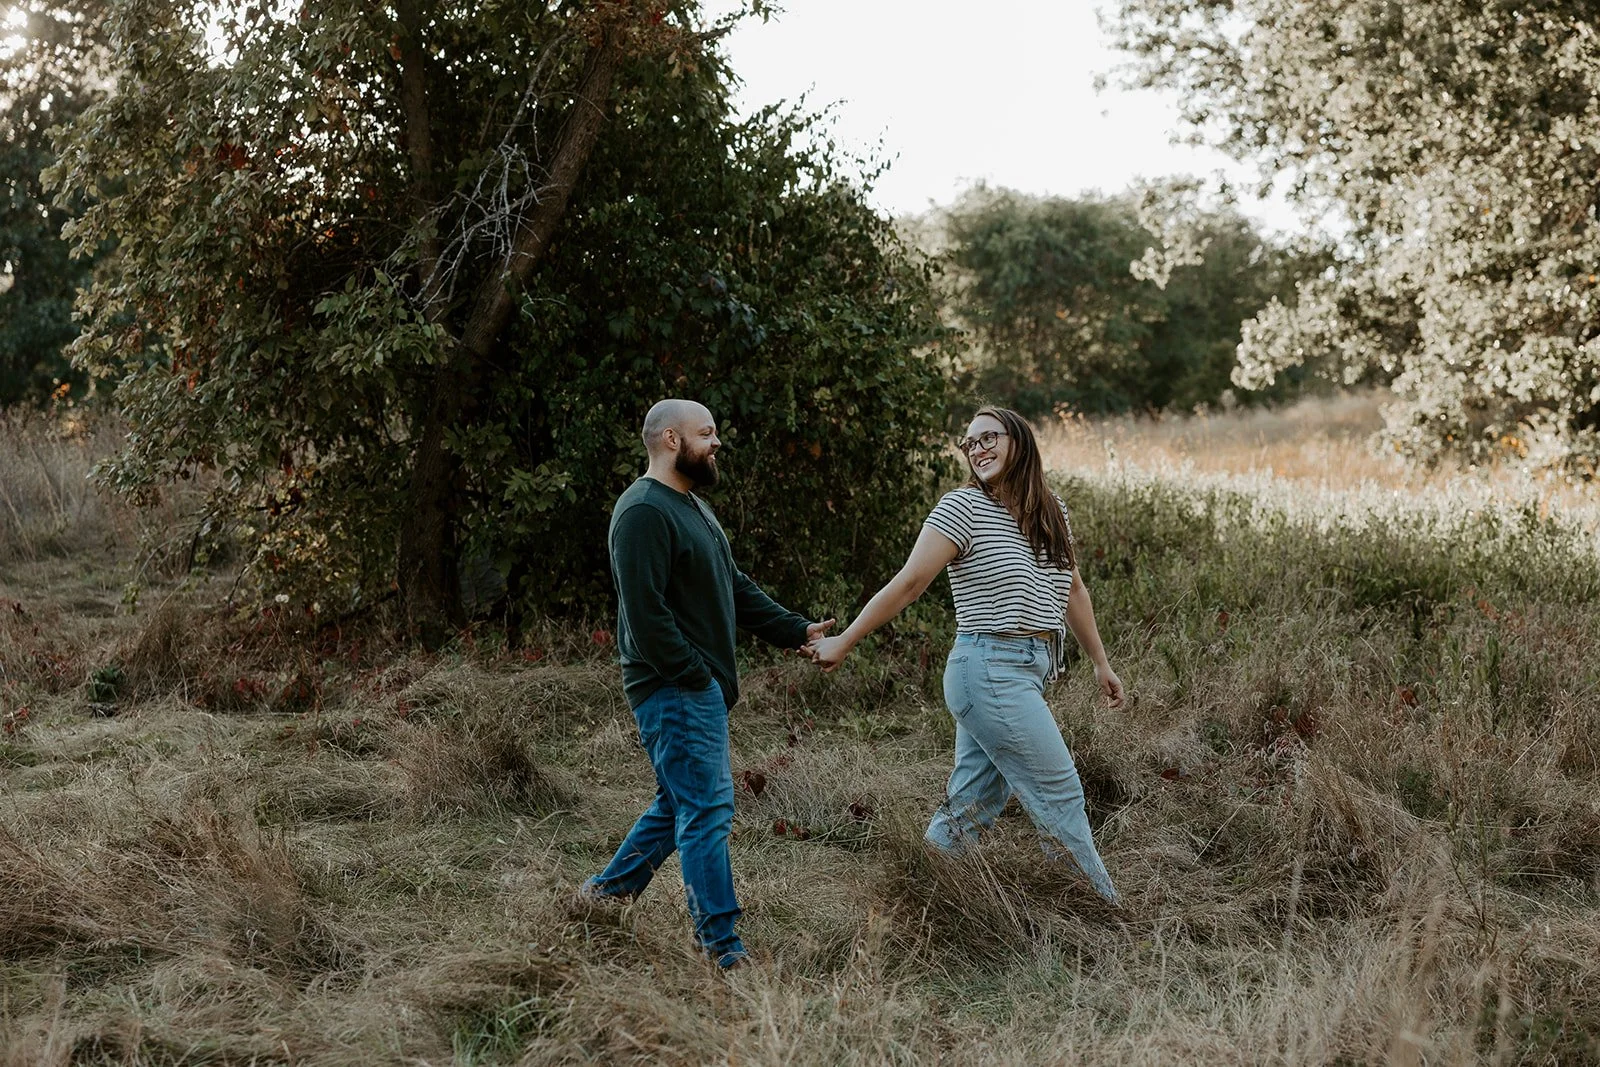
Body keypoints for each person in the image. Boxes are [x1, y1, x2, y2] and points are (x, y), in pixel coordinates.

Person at [806, 405, 1123, 904]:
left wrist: (1101, 662)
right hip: (989, 668)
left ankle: (915, 900)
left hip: (1026, 671)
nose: (977, 449)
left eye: (987, 438)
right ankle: (1101, 912)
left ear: (1018, 440)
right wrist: (844, 640)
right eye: (969, 443)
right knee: (1059, 791)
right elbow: (909, 583)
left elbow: (1074, 590)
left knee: (973, 802)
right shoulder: (962, 508)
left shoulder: (1051, 511)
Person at [576, 398, 834, 969]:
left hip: (694, 688)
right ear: (671, 439)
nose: (716, 443)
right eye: (707, 433)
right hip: (674, 688)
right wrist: (699, 678)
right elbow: (645, 617)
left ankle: (602, 899)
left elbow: (733, 586)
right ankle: (722, 949)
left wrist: (795, 628)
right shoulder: (643, 510)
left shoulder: (693, 506)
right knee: (709, 808)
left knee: (679, 805)